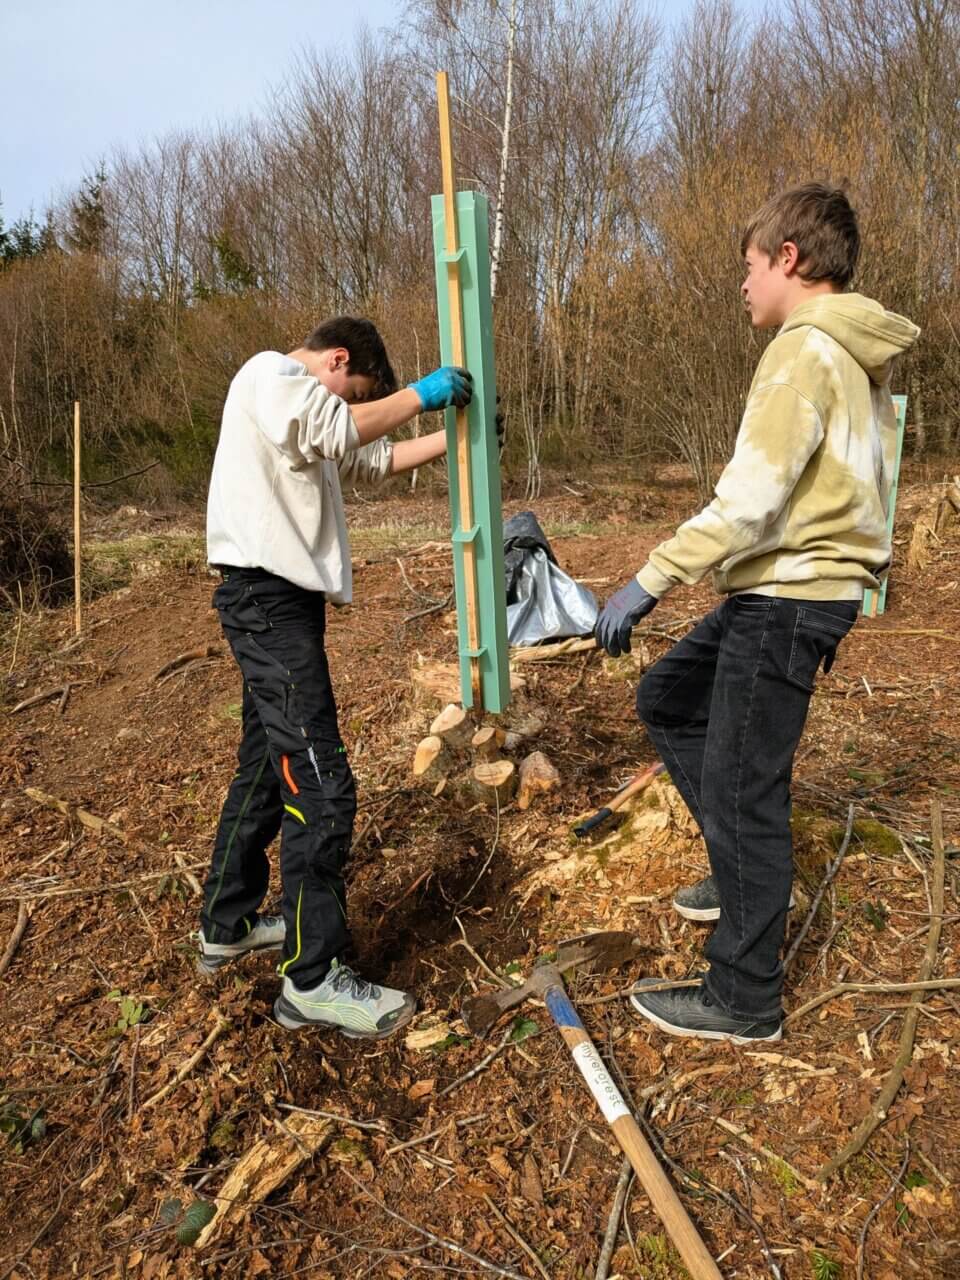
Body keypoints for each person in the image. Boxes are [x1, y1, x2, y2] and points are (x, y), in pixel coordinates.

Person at [595, 184, 919, 1043]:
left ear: (789, 260)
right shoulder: (849, 355)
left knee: (746, 786)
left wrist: (648, 580)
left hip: (788, 596)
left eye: (747, 266)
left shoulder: (804, 352)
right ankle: (741, 875)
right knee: (667, 697)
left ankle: (743, 995)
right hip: (790, 590)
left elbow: (750, 501)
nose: (740, 285)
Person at [197, 315, 472, 1040]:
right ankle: (311, 979)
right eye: (354, 394)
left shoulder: (301, 416)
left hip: (275, 604)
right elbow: (341, 431)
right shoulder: (271, 375)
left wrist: (458, 437)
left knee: (265, 766)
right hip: (267, 601)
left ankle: (226, 923)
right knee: (320, 785)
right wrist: (422, 394)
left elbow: (368, 461)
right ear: (338, 361)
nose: (353, 410)